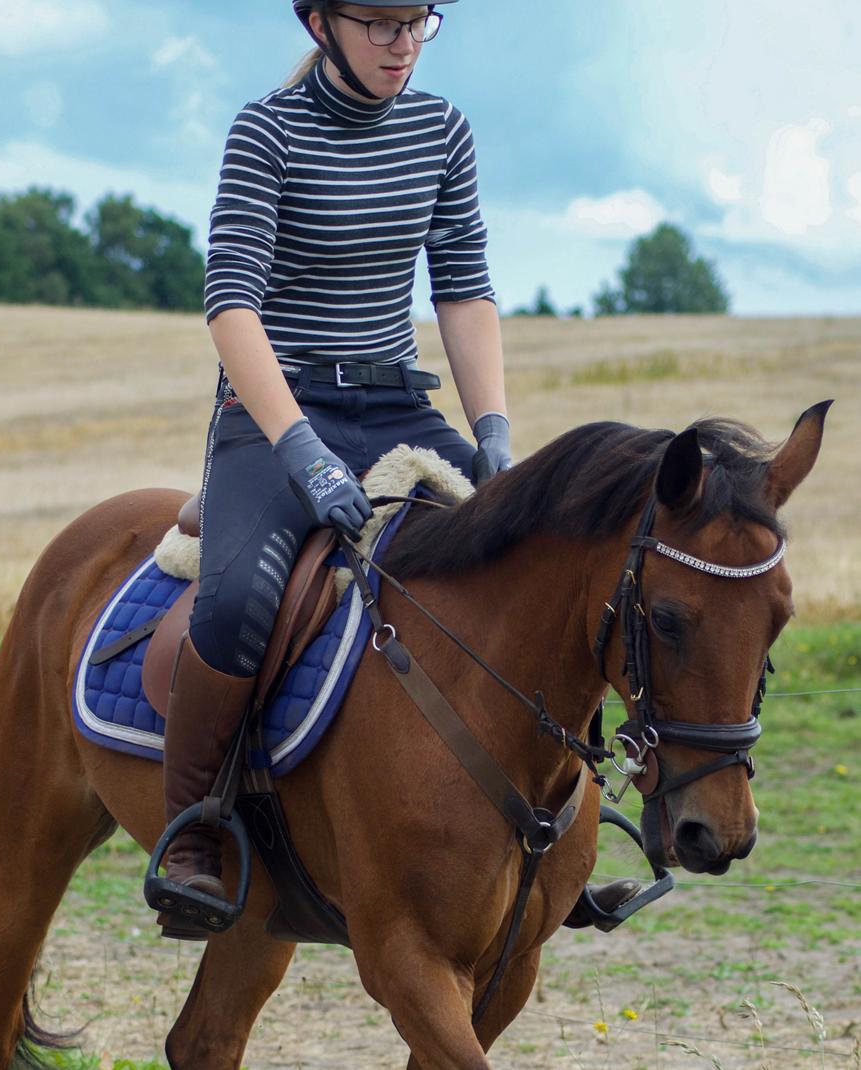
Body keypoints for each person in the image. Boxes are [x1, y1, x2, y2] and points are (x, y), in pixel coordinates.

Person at [151, 0, 639, 937]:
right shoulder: (265, 130)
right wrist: (299, 450)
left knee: (533, 563)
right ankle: (195, 833)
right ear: (320, 22)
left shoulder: (440, 128)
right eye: (377, 22)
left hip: (398, 407)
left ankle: (560, 835)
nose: (400, 43)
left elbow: (461, 285)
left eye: (416, 21)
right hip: (272, 416)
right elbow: (230, 307)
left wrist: (493, 432)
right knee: (236, 601)